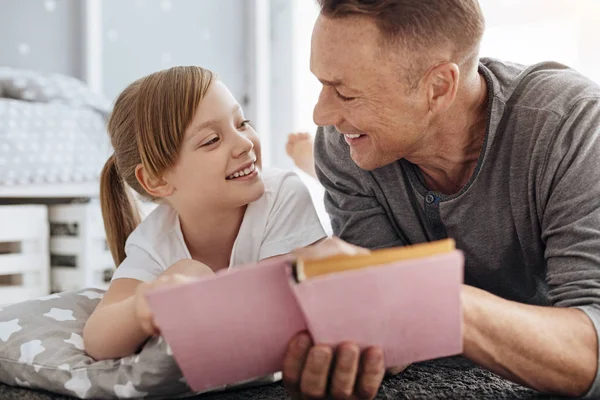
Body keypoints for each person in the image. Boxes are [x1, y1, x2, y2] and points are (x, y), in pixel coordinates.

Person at [281, 0, 600, 399]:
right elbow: (394, 337)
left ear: (439, 88)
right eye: (322, 84)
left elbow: (593, 349)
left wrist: (416, 293)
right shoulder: (344, 148)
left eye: (345, 93)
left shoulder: (573, 127)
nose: (320, 114)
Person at [82, 66, 326, 361]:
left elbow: (275, 311)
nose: (245, 143)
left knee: (330, 186)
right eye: (212, 140)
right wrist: (147, 302)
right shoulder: (153, 241)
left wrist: (205, 287)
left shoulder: (283, 194)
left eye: (242, 123)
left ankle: (313, 162)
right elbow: (97, 340)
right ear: (156, 180)